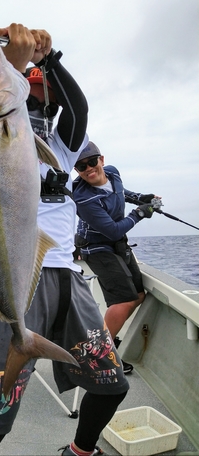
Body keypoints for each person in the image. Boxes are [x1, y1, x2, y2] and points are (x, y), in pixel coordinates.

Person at [0, 24, 129, 456]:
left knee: (111, 385)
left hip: (69, 277)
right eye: (29, 80)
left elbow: (77, 108)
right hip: (17, 276)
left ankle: (80, 451)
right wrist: (11, 63)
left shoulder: (62, 143)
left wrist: (49, 60)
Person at [72, 141, 160, 373]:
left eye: (92, 162)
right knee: (124, 300)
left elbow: (122, 192)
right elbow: (112, 230)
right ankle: (97, 354)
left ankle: (105, 338)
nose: (89, 168)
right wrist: (140, 212)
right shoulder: (83, 199)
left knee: (138, 294)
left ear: (101, 159)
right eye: (82, 167)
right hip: (96, 247)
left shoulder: (112, 172)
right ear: (77, 171)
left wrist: (142, 197)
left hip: (116, 244)